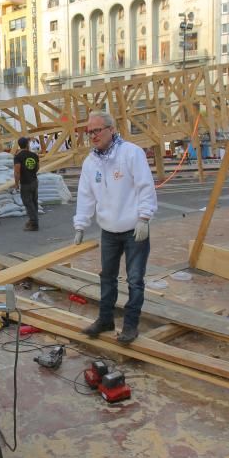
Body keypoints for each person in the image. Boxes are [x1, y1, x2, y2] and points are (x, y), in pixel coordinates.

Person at [72, 111, 157, 344]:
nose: (93, 136)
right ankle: (106, 319)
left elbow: (145, 187)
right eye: (90, 132)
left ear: (111, 129)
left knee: (135, 280)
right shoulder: (91, 163)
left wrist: (144, 218)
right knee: (107, 277)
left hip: (134, 229)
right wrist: (81, 223)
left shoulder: (131, 153)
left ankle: (130, 326)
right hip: (109, 230)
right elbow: (86, 195)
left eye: (97, 130)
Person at [13, 136, 40, 231]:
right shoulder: (34, 155)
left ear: (19, 145)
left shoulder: (18, 157)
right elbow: (37, 168)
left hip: (25, 183)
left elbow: (17, 172)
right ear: (27, 144)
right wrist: (31, 172)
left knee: (28, 203)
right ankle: (34, 220)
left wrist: (16, 184)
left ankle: (34, 224)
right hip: (34, 181)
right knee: (34, 202)